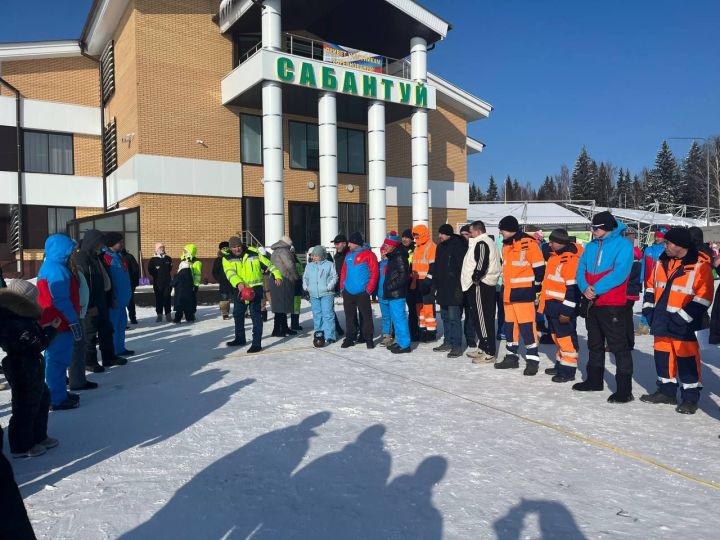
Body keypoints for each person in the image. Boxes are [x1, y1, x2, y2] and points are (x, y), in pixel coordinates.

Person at [640, 227, 714, 415]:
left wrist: (682, 317)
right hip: (661, 322)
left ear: (680, 245)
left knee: (687, 361)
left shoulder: (699, 264)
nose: (664, 246)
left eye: (668, 243)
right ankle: (666, 392)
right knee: (663, 359)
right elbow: (650, 286)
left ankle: (690, 398)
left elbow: (703, 298)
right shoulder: (661, 261)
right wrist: (648, 309)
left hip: (685, 324)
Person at [574, 211, 635, 403]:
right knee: (594, 343)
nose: (592, 231)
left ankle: (624, 390)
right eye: (592, 227)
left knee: (618, 346)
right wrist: (584, 287)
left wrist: (596, 288)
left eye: (596, 228)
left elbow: (620, 272)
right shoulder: (591, 246)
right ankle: (594, 380)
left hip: (612, 303)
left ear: (607, 227)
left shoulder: (623, 245)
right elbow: (581, 268)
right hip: (593, 302)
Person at [0, 280, 60, 458]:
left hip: (32, 364)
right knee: (25, 405)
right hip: (21, 365)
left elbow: (33, 336)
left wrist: (44, 329)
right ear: (23, 301)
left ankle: (39, 436)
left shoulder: (22, 316)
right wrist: (52, 331)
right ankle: (21, 445)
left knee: (41, 399)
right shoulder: (12, 320)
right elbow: (37, 343)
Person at [37, 234, 83, 410]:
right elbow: (61, 300)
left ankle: (57, 393)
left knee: (54, 359)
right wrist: (73, 321)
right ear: (62, 250)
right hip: (60, 323)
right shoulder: (57, 270)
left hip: (54, 322)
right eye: (72, 250)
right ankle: (57, 398)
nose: (74, 253)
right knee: (58, 361)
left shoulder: (52, 266)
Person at [495, 216, 546, 375]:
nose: (500, 232)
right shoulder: (506, 245)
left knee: (527, 327)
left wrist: (535, 288)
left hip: (524, 294)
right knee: (510, 327)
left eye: (502, 229)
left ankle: (532, 360)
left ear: (509, 229)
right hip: (508, 294)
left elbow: (539, 269)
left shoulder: (529, 243)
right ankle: (512, 357)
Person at [75, 229, 123, 370]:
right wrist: (90, 305)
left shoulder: (98, 257)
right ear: (93, 242)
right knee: (90, 333)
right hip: (91, 303)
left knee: (106, 330)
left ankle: (109, 357)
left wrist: (110, 298)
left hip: (102, 299)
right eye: (100, 242)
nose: (102, 244)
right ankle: (89, 361)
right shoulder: (82, 258)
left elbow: (104, 279)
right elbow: (83, 285)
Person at [538, 229, 582, 383]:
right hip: (552, 306)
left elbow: (573, 289)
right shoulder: (555, 256)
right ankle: (560, 364)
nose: (549, 244)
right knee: (556, 337)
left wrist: (566, 311)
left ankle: (568, 371)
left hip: (562, 308)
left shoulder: (570, 260)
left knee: (566, 340)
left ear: (561, 243)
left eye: (552, 242)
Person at [223, 237, 281, 352]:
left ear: (241, 245)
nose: (237, 249)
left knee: (255, 315)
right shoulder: (226, 258)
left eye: (238, 246)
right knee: (238, 314)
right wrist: (238, 283)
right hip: (239, 290)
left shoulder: (253, 252)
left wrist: (276, 274)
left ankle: (256, 343)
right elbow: (229, 272)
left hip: (255, 289)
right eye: (234, 247)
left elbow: (268, 264)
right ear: (230, 248)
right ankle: (240, 338)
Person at [461, 220, 501, 364]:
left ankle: (489, 352)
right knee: (478, 317)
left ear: (478, 231)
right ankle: (483, 347)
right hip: (479, 284)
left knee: (483, 318)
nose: (469, 234)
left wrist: (476, 277)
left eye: (470, 231)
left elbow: (482, 261)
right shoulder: (480, 242)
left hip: (481, 285)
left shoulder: (482, 242)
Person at [432, 224, 467, 358]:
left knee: (454, 318)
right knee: (445, 317)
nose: (439, 236)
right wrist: (434, 286)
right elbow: (437, 267)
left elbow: (463, 268)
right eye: (439, 233)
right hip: (442, 288)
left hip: (454, 288)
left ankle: (456, 346)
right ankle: (447, 341)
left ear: (448, 234)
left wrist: (459, 286)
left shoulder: (458, 246)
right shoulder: (440, 247)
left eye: (442, 234)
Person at [340, 232, 379, 349]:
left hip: (362, 292)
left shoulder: (369, 255)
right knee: (349, 317)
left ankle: (368, 338)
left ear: (356, 243)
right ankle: (350, 338)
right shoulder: (348, 255)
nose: (349, 245)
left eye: (350, 243)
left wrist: (369, 289)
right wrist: (342, 288)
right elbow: (343, 272)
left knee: (366, 316)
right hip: (348, 292)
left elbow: (374, 272)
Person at [67, 248, 98, 391]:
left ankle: (78, 379)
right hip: (73, 315)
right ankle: (76, 381)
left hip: (79, 313)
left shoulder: (73, 268)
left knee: (79, 348)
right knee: (74, 349)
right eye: (73, 251)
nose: (75, 253)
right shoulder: (62, 270)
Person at [102, 233, 134, 356]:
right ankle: (113, 351)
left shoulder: (120, 256)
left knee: (121, 325)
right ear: (111, 244)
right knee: (113, 327)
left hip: (122, 300)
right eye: (119, 242)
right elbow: (107, 280)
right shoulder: (106, 257)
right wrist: (111, 296)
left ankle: (120, 348)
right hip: (114, 300)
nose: (122, 244)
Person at [302, 245, 338, 347]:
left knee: (328, 314)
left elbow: (334, 277)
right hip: (314, 294)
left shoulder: (329, 264)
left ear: (322, 256)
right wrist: (306, 287)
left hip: (327, 293)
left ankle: (330, 335)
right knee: (317, 314)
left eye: (316, 256)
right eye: (313, 256)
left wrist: (329, 287)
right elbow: (305, 277)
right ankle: (319, 332)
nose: (314, 257)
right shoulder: (309, 266)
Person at [383, 234, 412, 354]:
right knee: (396, 319)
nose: (384, 247)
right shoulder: (393, 256)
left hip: (397, 293)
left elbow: (403, 276)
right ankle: (400, 341)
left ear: (392, 246)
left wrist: (390, 286)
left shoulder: (399, 256)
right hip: (393, 293)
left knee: (400, 319)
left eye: (386, 245)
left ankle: (405, 344)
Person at [637, 227, 668, 335]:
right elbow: (643, 265)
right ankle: (644, 325)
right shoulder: (648, 250)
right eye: (656, 235)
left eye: (660, 236)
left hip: (662, 283)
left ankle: (659, 325)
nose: (657, 238)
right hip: (648, 282)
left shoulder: (666, 250)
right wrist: (641, 279)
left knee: (660, 304)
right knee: (647, 303)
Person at [411, 224, 438, 342]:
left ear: (422, 234)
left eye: (417, 235)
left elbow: (433, 266)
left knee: (428, 308)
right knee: (419, 308)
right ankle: (422, 330)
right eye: (414, 235)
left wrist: (428, 279)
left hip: (427, 283)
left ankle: (431, 332)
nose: (415, 237)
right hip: (417, 282)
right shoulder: (417, 247)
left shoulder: (431, 246)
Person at [269, 235, 299, 337]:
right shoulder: (284, 251)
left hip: (275, 280)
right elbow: (290, 265)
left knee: (279, 306)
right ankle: (282, 329)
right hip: (284, 280)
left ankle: (278, 328)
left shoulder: (276, 251)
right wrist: (296, 277)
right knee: (283, 305)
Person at [173, 244, 202, 323]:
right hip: (182, 284)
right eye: (184, 251)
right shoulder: (184, 260)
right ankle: (181, 316)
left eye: (186, 251)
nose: (184, 252)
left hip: (190, 284)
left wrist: (196, 285)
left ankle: (190, 315)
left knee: (191, 301)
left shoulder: (196, 262)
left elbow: (197, 275)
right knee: (181, 300)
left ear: (191, 252)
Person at [402, 229, 420, 342]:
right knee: (399, 311)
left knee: (413, 311)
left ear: (411, 239)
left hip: (413, 283)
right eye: (403, 237)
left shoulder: (416, 249)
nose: (404, 239)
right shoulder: (399, 248)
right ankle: (398, 332)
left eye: (407, 237)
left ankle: (414, 333)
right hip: (401, 283)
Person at [148, 242, 173, 322]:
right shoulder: (153, 260)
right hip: (158, 283)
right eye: (160, 248)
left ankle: (168, 315)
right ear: (156, 250)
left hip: (167, 282)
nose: (162, 249)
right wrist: (156, 275)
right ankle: (159, 315)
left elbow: (170, 268)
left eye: (163, 247)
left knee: (167, 298)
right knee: (159, 299)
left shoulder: (168, 258)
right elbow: (150, 270)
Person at [332, 234, 349, 337]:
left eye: (337, 244)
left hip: (350, 285)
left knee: (354, 311)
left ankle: (359, 331)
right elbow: (338, 272)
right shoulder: (337, 256)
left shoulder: (349, 254)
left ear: (344, 243)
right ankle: (351, 331)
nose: (336, 246)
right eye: (335, 244)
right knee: (348, 311)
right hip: (342, 286)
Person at [212, 241, 234, 320]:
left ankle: (243, 312)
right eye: (223, 248)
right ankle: (225, 313)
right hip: (224, 282)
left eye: (227, 248)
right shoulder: (218, 259)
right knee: (224, 298)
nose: (225, 249)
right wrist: (220, 279)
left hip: (234, 281)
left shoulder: (232, 257)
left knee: (238, 298)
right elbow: (214, 272)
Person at [377, 241, 393, 347]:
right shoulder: (379, 264)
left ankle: (395, 334)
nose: (383, 254)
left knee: (394, 316)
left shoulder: (392, 263)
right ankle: (386, 335)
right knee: (385, 316)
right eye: (382, 252)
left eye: (385, 251)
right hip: (381, 294)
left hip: (391, 295)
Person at [123, 248, 141, 325]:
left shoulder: (129, 257)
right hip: (120, 284)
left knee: (129, 302)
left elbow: (135, 270)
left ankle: (132, 318)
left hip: (129, 283)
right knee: (123, 303)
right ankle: (125, 320)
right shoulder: (114, 257)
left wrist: (134, 282)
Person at [291, 247, 305, 331]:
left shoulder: (297, 258)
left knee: (297, 304)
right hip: (293, 284)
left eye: (293, 251)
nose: (292, 253)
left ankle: (295, 323)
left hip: (298, 283)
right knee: (294, 305)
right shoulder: (289, 260)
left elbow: (301, 269)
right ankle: (294, 324)